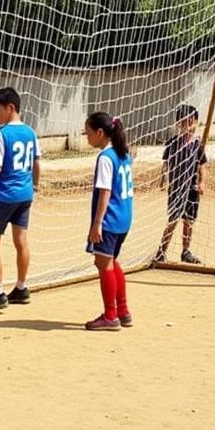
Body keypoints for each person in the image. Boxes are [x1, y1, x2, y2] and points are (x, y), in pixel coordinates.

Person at [0, 86, 40, 310]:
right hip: (25, 194)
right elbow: (37, 163)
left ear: (11, 108)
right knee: (21, 241)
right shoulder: (30, 132)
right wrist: (35, 185)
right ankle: (21, 287)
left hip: (3, 196)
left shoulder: (1, 134)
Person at [83, 112, 134, 331]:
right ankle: (123, 311)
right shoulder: (123, 153)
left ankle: (111, 315)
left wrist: (97, 224)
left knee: (103, 264)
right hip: (124, 216)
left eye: (88, 133)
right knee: (111, 261)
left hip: (110, 219)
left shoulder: (106, 157)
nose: (87, 137)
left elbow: (105, 192)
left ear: (100, 132)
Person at [154, 104, 206, 265]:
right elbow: (166, 163)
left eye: (191, 122)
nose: (187, 126)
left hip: (192, 188)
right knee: (173, 219)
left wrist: (202, 182)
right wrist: (163, 179)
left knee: (189, 220)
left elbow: (201, 164)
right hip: (176, 187)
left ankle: (186, 251)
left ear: (196, 122)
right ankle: (161, 251)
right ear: (178, 124)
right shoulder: (172, 143)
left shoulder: (198, 144)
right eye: (183, 122)